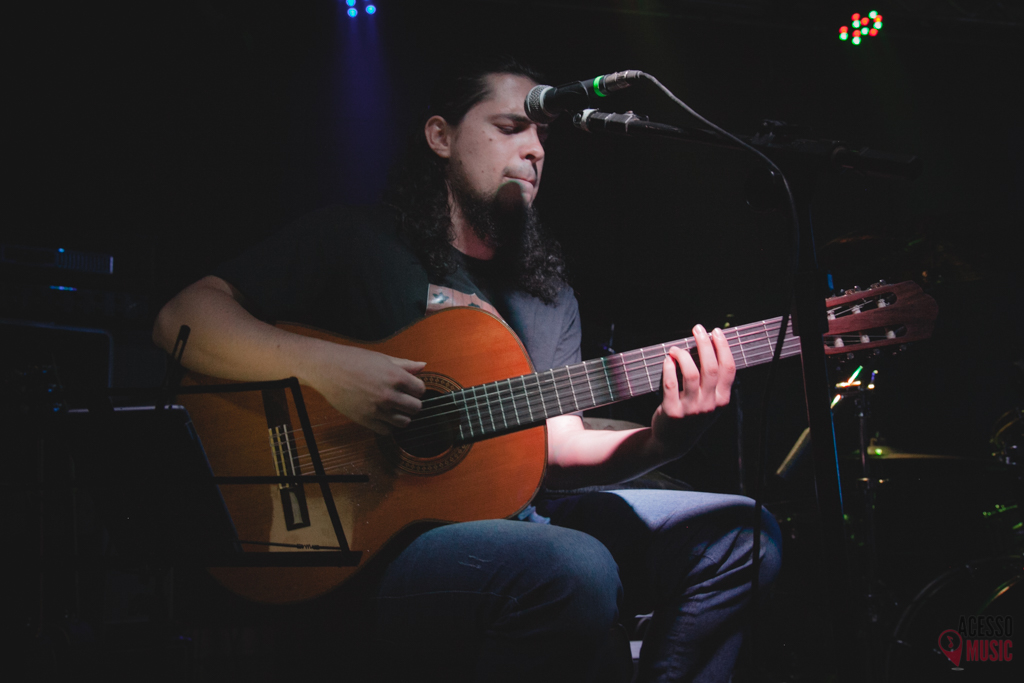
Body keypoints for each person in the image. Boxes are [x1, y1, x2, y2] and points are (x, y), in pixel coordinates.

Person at [153, 55, 781, 683]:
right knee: (573, 565)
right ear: (441, 136)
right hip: (365, 547)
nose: (535, 149)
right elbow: (183, 316)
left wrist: (663, 441)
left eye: (542, 135)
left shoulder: (548, 296)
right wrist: (331, 369)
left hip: (519, 527)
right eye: (511, 127)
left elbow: (557, 445)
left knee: (744, 537)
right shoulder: (355, 241)